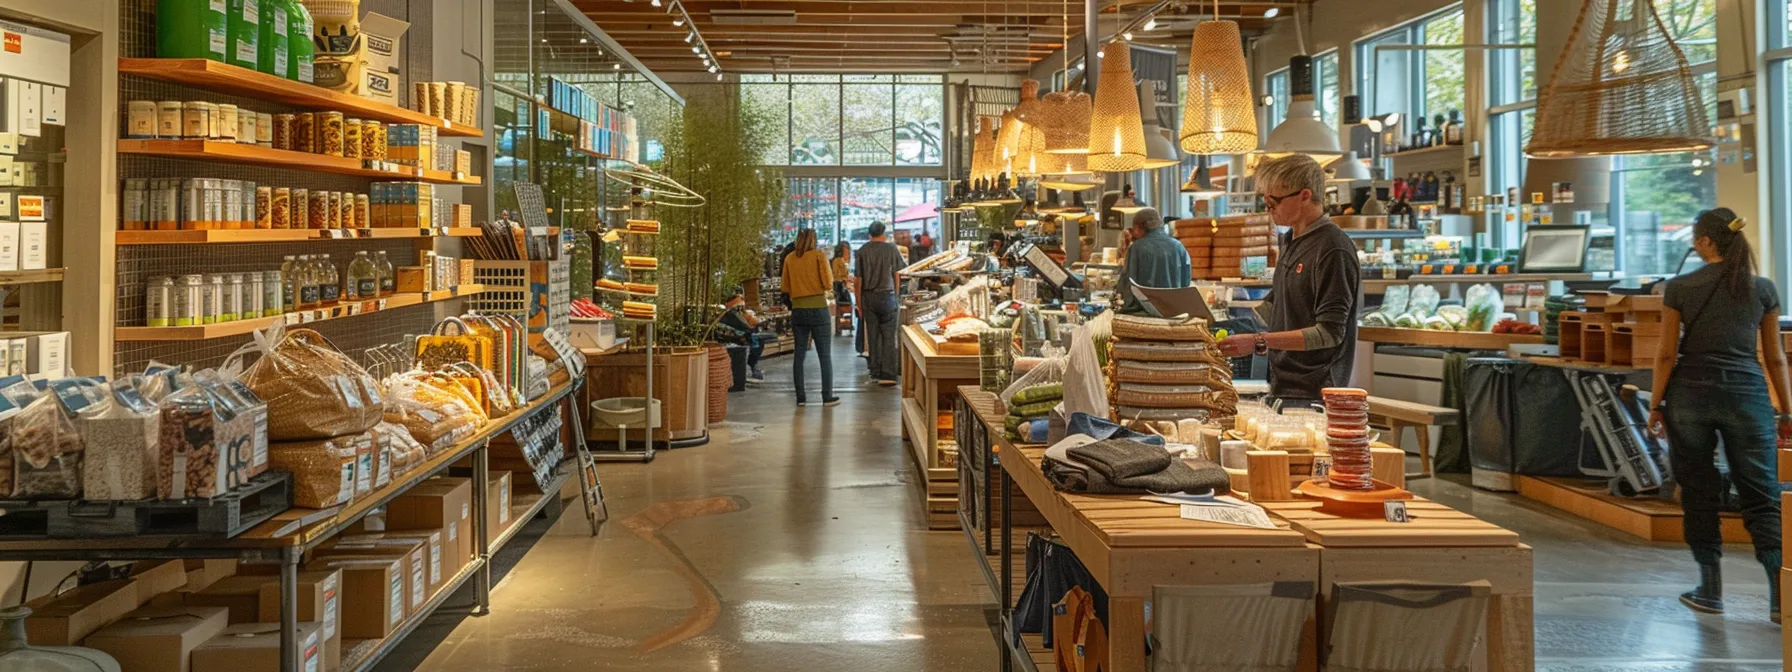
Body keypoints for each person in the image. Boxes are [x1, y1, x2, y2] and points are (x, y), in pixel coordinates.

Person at [1646, 208, 1790, 621]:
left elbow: (1667, 353)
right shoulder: (1762, 289)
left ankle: (1710, 590)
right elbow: (1775, 358)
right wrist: (1787, 410)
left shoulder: (1680, 288)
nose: (1693, 243)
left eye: (1696, 237)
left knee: (1698, 491)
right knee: (1762, 495)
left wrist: (1656, 405)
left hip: (1690, 396)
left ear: (1708, 241)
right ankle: (1781, 598)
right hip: (1747, 396)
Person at [1215, 154, 1360, 404]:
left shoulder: (1333, 248)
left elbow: (1329, 333)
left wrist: (1258, 341)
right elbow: (1280, 306)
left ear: (1304, 196)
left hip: (1316, 391)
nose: (1269, 210)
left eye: (1275, 201)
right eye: (1265, 202)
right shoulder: (1290, 240)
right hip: (1283, 384)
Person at [781, 229, 838, 407]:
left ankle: (800, 397)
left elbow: (785, 287)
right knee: (824, 355)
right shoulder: (818, 256)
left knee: (799, 355)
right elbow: (828, 283)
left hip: (798, 310)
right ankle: (826, 396)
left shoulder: (789, 258)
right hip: (818, 309)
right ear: (813, 240)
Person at [856, 221, 906, 387]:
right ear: (883, 233)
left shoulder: (862, 251)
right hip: (888, 296)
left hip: (869, 297)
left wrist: (858, 303)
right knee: (889, 336)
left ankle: (875, 371)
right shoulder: (891, 249)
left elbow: (858, 280)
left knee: (873, 336)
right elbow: (897, 273)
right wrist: (896, 294)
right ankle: (889, 373)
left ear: (870, 233)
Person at [1116, 207, 1192, 314]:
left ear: (1138, 227)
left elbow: (1127, 284)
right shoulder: (1178, 246)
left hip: (1144, 315)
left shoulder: (1137, 248)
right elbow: (1186, 283)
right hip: (1174, 313)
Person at [716, 293, 764, 390]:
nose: (741, 307)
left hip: (742, 334)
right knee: (756, 339)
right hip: (737, 336)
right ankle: (754, 365)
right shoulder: (731, 314)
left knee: (757, 339)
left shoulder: (740, 314)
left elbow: (749, 322)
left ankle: (754, 365)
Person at [831, 242, 854, 336]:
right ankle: (844, 324)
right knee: (844, 306)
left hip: (842, 285)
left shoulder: (843, 261)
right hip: (839, 286)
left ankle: (845, 323)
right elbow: (837, 275)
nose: (848, 252)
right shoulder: (838, 261)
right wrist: (846, 279)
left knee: (845, 306)